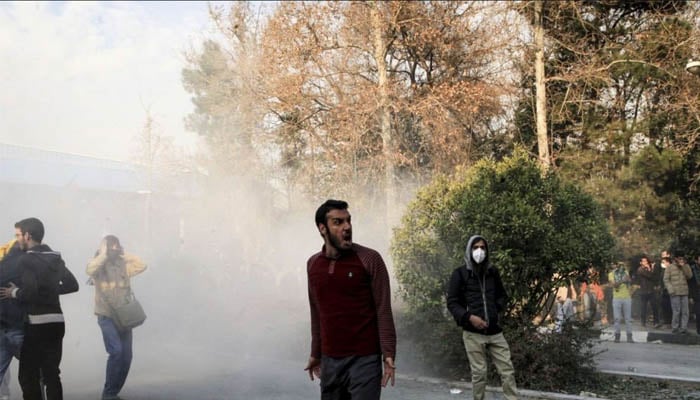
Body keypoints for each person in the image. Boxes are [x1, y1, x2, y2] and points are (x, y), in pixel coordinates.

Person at [304, 199, 397, 399]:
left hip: (364, 360)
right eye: (338, 222)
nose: (347, 227)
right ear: (322, 228)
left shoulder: (370, 259)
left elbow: (383, 309)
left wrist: (388, 353)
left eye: (348, 221)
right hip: (330, 361)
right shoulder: (313, 264)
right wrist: (315, 353)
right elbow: (316, 313)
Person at [0, 217, 79, 400]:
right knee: (52, 374)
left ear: (27, 235)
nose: (16, 239)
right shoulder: (54, 257)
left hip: (36, 324)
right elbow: (72, 285)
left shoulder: (26, 260)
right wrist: (49, 291)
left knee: (28, 376)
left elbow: (30, 292)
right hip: (57, 323)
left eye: (18, 235)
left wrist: (14, 292)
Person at [447, 235, 518, 400]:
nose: (479, 251)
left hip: (495, 332)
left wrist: (495, 311)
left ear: (487, 250)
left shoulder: (492, 272)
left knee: (507, 371)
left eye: (482, 247)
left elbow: (502, 296)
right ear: (469, 250)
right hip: (472, 333)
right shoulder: (460, 274)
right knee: (479, 374)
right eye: (475, 247)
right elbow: (452, 303)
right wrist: (469, 317)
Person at [86, 235, 147, 400]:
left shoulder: (122, 265)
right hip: (106, 315)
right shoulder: (98, 264)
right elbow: (89, 270)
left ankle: (113, 391)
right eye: (110, 246)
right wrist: (103, 254)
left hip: (124, 316)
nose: (113, 249)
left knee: (127, 357)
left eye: (116, 246)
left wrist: (123, 254)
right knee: (116, 351)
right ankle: (108, 393)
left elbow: (142, 265)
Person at [0, 239, 24, 400]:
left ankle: (4, 394)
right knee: (32, 371)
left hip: (3, 325)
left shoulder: (3, 263)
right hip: (19, 325)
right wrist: (17, 292)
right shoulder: (25, 265)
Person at [663, 254, 692, 334]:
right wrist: (670, 290)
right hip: (674, 292)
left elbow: (689, 276)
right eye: (679, 258)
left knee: (685, 311)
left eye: (682, 258)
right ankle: (675, 327)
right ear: (676, 258)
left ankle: (684, 328)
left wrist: (684, 267)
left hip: (684, 292)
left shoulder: (686, 266)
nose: (681, 260)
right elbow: (666, 279)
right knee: (676, 311)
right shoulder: (670, 267)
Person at [608, 261, 633, 343]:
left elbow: (629, 281)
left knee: (628, 318)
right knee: (617, 318)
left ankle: (629, 336)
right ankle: (617, 336)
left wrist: (627, 278)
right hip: (617, 298)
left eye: (622, 265)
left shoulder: (625, 272)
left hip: (627, 297)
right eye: (618, 265)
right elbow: (614, 285)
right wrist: (622, 280)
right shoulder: (611, 274)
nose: (620, 267)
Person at [636, 255, 660, 328]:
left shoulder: (648, 269)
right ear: (640, 263)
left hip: (651, 290)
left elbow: (655, 277)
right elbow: (650, 276)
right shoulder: (640, 269)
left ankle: (656, 322)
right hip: (643, 291)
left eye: (646, 261)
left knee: (654, 306)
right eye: (643, 261)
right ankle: (643, 322)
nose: (645, 262)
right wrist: (651, 268)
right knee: (643, 307)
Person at [690, 255, 700, 335]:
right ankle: (699, 329)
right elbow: (690, 284)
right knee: (698, 312)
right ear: (696, 261)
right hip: (696, 294)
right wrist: (690, 296)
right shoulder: (692, 269)